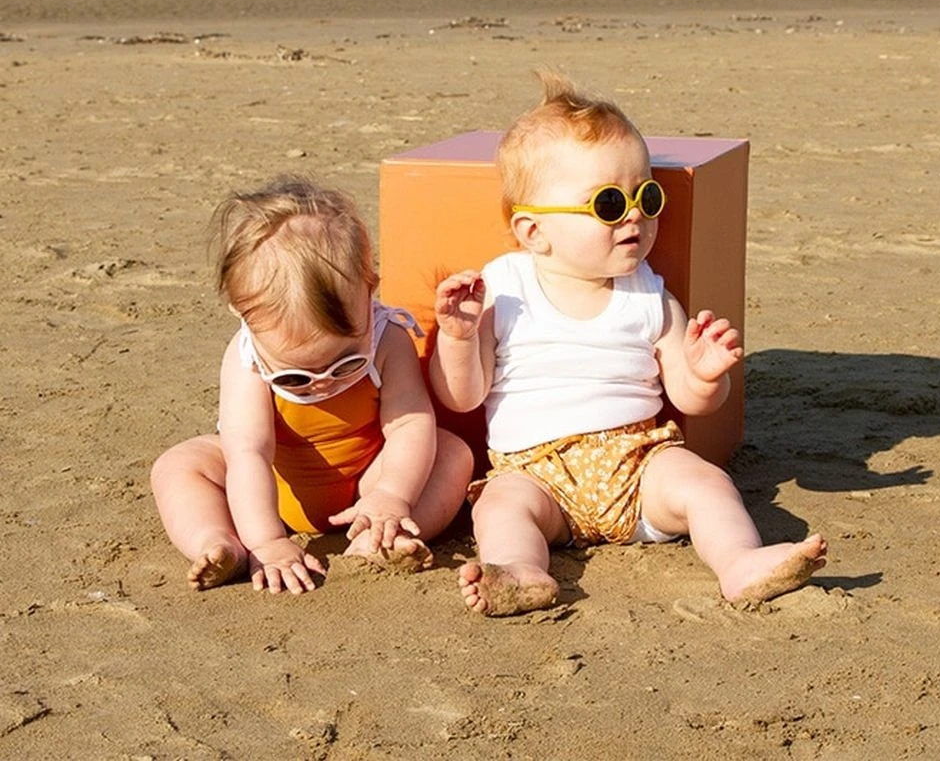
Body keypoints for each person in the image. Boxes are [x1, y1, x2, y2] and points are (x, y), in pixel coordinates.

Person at [430, 72, 827, 616]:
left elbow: (688, 398)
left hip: (640, 461)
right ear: (533, 233)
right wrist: (457, 337)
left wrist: (707, 374)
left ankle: (739, 561)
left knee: (706, 484)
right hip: (536, 472)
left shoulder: (649, 295)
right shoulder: (504, 288)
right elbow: (462, 396)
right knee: (500, 509)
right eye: (609, 204)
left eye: (647, 195)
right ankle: (522, 570)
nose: (635, 215)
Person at [151, 176, 473, 594]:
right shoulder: (246, 358)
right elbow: (249, 453)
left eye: (345, 364)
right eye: (294, 378)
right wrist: (267, 540)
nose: (321, 384)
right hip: (273, 486)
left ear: (370, 290)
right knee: (177, 466)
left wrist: (393, 494)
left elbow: (409, 424)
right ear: (243, 316)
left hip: (369, 478)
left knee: (451, 453)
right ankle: (218, 541)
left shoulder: (387, 338)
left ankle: (379, 538)